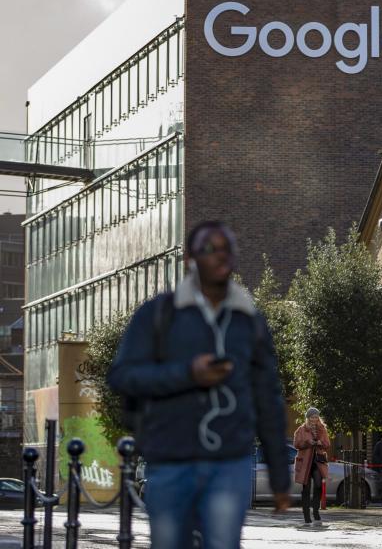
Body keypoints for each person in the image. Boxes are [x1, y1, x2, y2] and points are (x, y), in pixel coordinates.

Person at [109, 221, 290, 549]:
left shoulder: (249, 320)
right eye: (210, 249)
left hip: (229, 462)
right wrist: (187, 374)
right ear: (190, 260)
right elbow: (122, 376)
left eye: (227, 248)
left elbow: (268, 398)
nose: (220, 256)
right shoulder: (159, 314)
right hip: (169, 460)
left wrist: (280, 476)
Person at [294, 407, 331, 526]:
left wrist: (321, 443)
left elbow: (327, 444)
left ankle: (315, 511)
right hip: (305, 462)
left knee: (319, 484)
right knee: (306, 488)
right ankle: (306, 515)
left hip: (318, 462)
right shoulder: (301, 429)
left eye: (316, 417)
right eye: (312, 417)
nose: (314, 419)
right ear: (308, 418)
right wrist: (307, 443)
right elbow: (296, 444)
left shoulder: (322, 429)